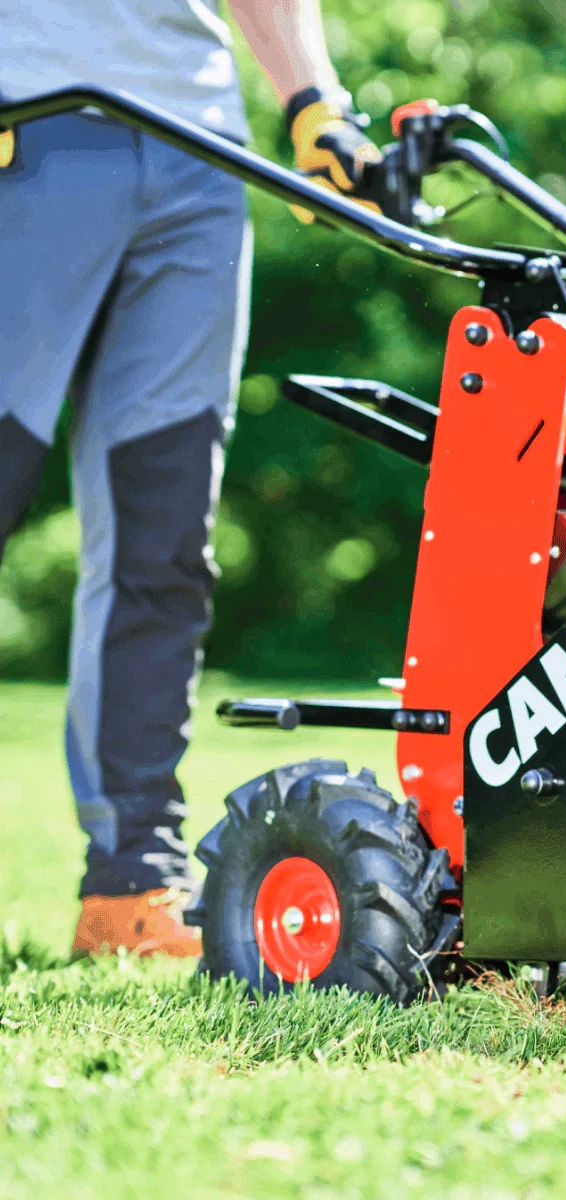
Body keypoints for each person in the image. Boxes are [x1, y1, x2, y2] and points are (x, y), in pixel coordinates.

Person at [0, 0, 381, 956]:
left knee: (161, 535)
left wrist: (313, 104)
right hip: (28, 121)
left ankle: (131, 881)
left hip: (197, 150)